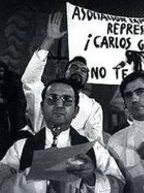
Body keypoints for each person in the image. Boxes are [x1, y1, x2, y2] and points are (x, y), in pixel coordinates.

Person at [0, 78, 124, 193]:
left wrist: (91, 179)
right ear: (42, 107)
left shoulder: (94, 149)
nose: (59, 105)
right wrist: (42, 173)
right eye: (52, 98)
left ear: (76, 111)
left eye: (67, 100)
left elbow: (117, 189)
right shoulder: (21, 147)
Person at [22, 12, 103, 142]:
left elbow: (94, 141)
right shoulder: (46, 95)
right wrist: (48, 41)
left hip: (76, 158)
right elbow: (29, 80)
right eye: (74, 67)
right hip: (39, 152)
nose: (78, 71)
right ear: (64, 73)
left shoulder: (93, 107)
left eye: (83, 70)